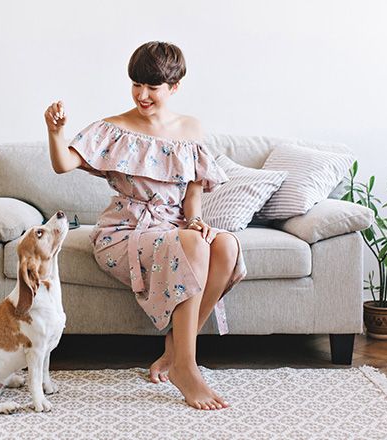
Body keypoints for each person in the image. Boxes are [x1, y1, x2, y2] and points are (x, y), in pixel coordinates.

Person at [43, 41, 246, 411]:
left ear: (175, 87)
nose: (143, 94)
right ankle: (187, 367)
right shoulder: (115, 128)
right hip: (124, 231)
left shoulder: (191, 128)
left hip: (173, 228)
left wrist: (197, 222)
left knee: (226, 246)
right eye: (137, 84)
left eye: (153, 87)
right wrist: (55, 131)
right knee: (195, 246)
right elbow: (63, 164)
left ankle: (174, 349)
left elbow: (192, 195)